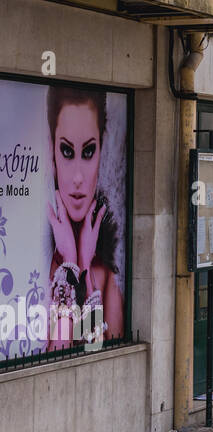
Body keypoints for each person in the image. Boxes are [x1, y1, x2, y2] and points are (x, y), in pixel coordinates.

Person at [46, 87, 124, 350]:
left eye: (88, 152)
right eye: (67, 152)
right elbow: (56, 355)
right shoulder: (38, 259)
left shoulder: (105, 275)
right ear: (51, 150)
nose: (78, 178)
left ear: (101, 150)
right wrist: (69, 264)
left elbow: (95, 352)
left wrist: (81, 264)